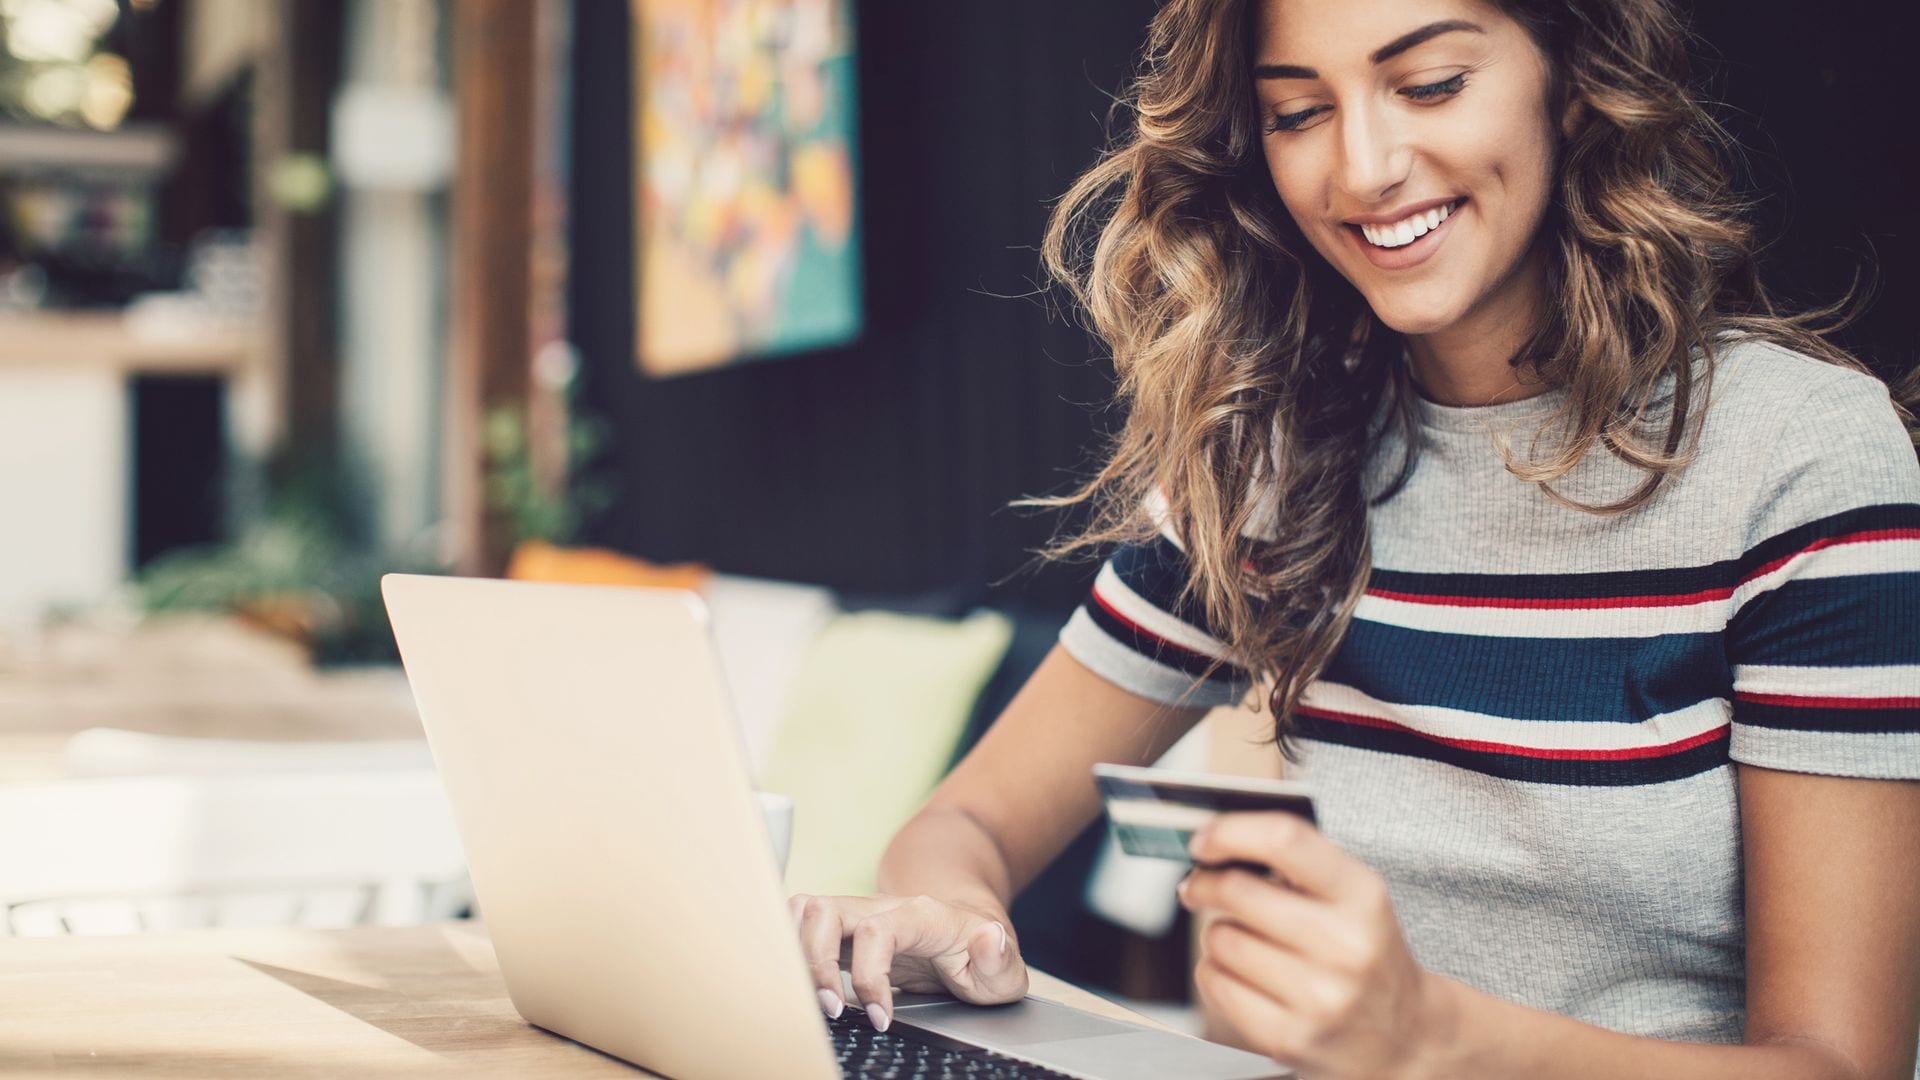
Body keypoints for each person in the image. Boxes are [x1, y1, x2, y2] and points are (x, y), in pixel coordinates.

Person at [786, 0, 1920, 1075]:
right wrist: (955, 916)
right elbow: (966, 822)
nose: (1364, 167)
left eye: (1429, 84)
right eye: (1298, 111)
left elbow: (1840, 1064)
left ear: (1572, 81)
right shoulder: (1270, 464)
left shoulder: (1801, 458)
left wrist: (1428, 1041)